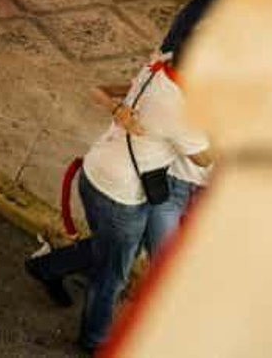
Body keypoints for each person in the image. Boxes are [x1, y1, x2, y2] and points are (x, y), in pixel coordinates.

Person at [76, 43, 212, 352]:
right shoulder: (181, 110)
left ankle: (52, 267)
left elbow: (120, 88)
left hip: (95, 171)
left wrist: (117, 107)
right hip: (121, 196)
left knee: (108, 254)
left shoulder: (159, 67)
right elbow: (204, 159)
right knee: (112, 277)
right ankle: (95, 341)